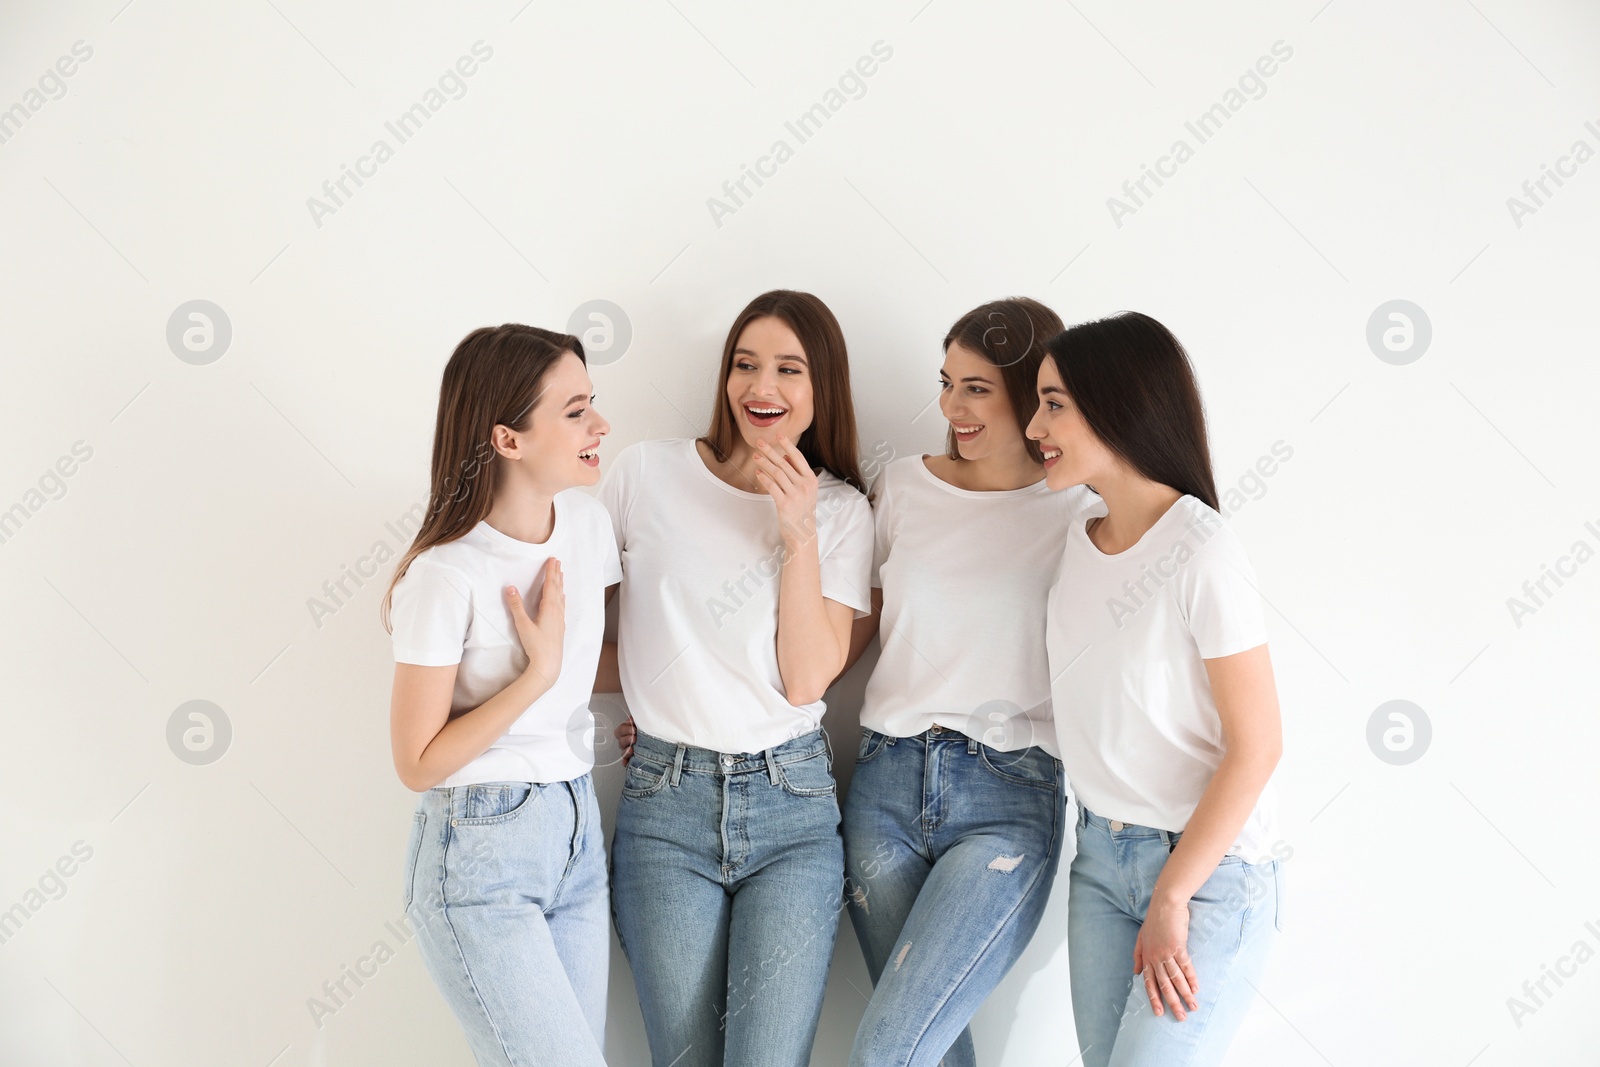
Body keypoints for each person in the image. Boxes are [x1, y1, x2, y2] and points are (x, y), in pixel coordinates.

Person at [598, 290, 874, 1067]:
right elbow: (580, 635)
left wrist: (799, 534)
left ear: (822, 391)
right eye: (745, 364)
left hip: (793, 810)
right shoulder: (643, 474)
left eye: (789, 369)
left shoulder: (842, 511)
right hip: (664, 803)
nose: (763, 387)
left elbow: (805, 679)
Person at [838, 298, 1098, 1066]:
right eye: (947, 382)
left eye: (977, 387)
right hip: (883, 786)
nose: (952, 406)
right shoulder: (901, 488)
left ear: (1034, 393)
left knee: (890, 1049)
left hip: (1008, 797)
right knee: (929, 1048)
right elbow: (846, 637)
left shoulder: (1080, 511)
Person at [1027, 312, 1285, 1067]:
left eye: (1054, 404)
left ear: (1116, 406)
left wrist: (1172, 895)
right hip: (1101, 861)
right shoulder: (1076, 542)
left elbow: (1259, 743)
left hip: (1206, 875)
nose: (1035, 424)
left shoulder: (1203, 550)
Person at [385, 324, 618, 1066]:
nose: (600, 425)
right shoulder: (445, 575)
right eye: (575, 410)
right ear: (508, 439)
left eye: (594, 405)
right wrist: (533, 680)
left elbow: (598, 660)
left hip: (577, 829)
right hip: (479, 849)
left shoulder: (587, 522)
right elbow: (417, 760)